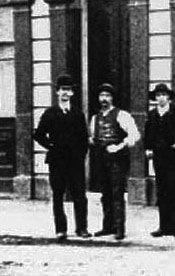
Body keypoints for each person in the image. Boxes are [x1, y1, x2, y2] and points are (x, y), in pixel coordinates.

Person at [33, 73, 91, 241]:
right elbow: (38, 135)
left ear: (72, 93)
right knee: (58, 194)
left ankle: (82, 228)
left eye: (68, 90)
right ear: (57, 92)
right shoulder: (50, 113)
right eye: (62, 90)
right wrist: (51, 146)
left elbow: (83, 138)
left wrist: (81, 155)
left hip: (75, 161)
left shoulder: (78, 114)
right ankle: (61, 229)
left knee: (79, 194)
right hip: (57, 161)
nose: (65, 93)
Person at [89, 82, 140, 240]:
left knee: (117, 193)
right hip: (101, 159)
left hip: (117, 160)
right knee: (105, 194)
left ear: (112, 98)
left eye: (107, 96)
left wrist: (119, 146)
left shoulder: (121, 115)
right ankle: (107, 226)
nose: (104, 99)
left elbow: (134, 135)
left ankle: (119, 228)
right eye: (102, 96)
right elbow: (92, 136)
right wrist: (92, 140)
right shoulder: (94, 118)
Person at [144, 83, 175, 240]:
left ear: (169, 97)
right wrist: (148, 148)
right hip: (158, 157)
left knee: (173, 190)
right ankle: (164, 227)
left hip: (172, 157)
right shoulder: (152, 114)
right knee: (161, 191)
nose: (160, 98)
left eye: (163, 94)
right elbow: (148, 133)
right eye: (158, 95)